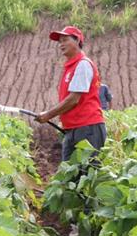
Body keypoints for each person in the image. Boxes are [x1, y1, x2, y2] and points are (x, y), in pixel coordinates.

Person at [35, 26, 106, 162]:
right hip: (73, 129)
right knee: (69, 174)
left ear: (77, 40)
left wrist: (48, 115)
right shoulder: (70, 67)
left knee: (86, 173)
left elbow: (74, 99)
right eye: (60, 42)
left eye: (65, 40)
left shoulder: (83, 65)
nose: (61, 44)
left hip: (88, 129)